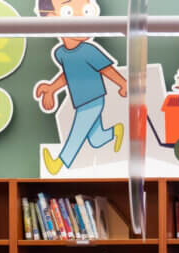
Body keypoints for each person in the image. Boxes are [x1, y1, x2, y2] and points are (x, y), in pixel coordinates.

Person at [33, 0, 126, 175]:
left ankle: (59, 163)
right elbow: (68, 74)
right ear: (51, 18)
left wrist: (123, 84)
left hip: (93, 98)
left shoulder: (88, 50)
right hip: (80, 99)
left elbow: (106, 69)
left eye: (86, 11)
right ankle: (115, 131)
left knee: (77, 132)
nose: (81, 19)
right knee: (96, 139)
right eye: (69, 12)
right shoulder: (60, 53)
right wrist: (52, 88)